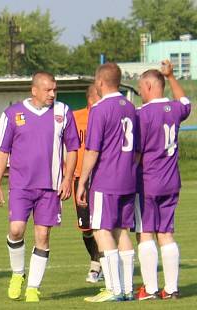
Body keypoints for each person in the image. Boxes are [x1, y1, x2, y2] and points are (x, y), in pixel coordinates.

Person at [0, 72, 79, 302]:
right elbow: (2, 151)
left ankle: (32, 287)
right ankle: (18, 274)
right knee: (17, 230)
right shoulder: (12, 114)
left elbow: (72, 149)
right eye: (48, 89)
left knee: (43, 235)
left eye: (54, 89)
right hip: (21, 186)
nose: (52, 94)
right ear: (34, 90)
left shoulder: (63, 112)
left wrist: (68, 178)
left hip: (50, 188)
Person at [76, 63, 138, 302]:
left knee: (102, 231)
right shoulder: (131, 107)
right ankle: (128, 288)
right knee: (121, 231)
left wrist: (82, 182)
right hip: (128, 179)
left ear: (100, 83)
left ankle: (113, 289)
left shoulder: (100, 109)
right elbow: (138, 149)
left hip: (106, 180)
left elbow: (92, 150)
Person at [135, 60, 190, 300]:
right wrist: (171, 76)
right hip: (172, 180)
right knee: (166, 234)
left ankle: (150, 288)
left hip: (148, 181)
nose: (139, 92)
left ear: (148, 86)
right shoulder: (174, 109)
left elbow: (136, 153)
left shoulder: (142, 114)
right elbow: (185, 102)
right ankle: (172, 288)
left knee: (146, 232)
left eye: (140, 87)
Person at [72, 85, 103, 283]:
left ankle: (99, 266)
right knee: (86, 227)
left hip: (102, 177)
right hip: (78, 177)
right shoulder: (75, 118)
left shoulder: (106, 116)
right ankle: (95, 261)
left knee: (105, 225)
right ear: (91, 98)